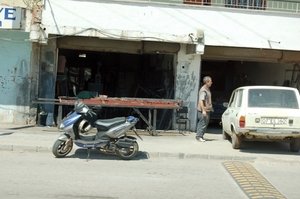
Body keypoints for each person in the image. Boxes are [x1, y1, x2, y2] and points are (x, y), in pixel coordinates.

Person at [195, 76, 213, 142]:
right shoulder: (203, 90)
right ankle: (198, 136)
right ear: (207, 82)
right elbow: (201, 101)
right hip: (203, 110)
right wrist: (203, 110)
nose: (211, 82)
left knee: (205, 124)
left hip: (207, 110)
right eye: (210, 81)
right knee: (202, 123)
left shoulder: (207, 89)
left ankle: (201, 136)